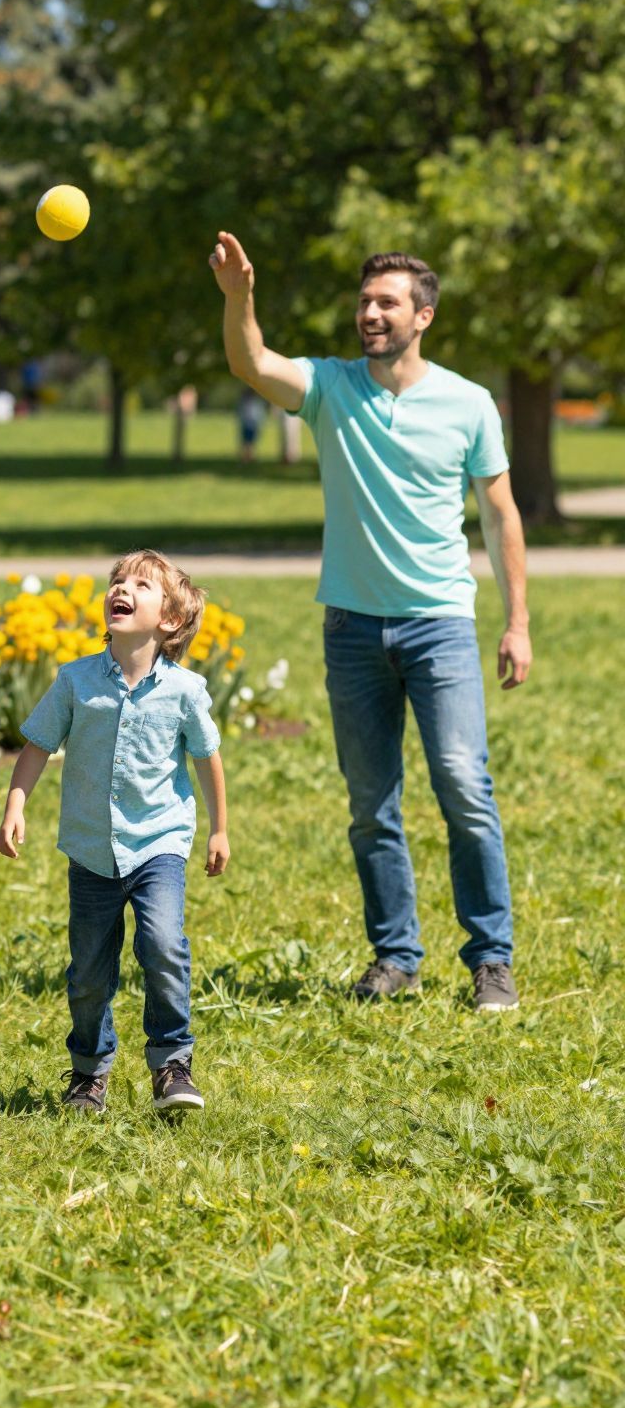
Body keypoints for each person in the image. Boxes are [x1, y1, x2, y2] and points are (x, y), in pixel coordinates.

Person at [209, 233, 531, 1010]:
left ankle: (491, 960)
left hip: (440, 624)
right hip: (351, 628)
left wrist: (517, 620)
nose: (370, 314)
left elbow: (499, 512)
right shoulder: (330, 388)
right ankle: (396, 957)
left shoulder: (468, 403)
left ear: (423, 315)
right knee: (370, 804)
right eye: (364, 302)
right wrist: (238, 299)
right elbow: (252, 364)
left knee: (463, 786)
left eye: (387, 302)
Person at [0, 551, 229, 1114]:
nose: (122, 588)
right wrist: (15, 805)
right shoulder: (76, 681)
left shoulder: (185, 690)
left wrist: (220, 829)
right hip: (92, 849)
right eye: (117, 581)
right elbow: (38, 746)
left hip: (159, 844)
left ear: (169, 619)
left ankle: (172, 1064)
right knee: (89, 972)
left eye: (141, 585)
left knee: (164, 947)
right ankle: (88, 1074)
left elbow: (208, 757)